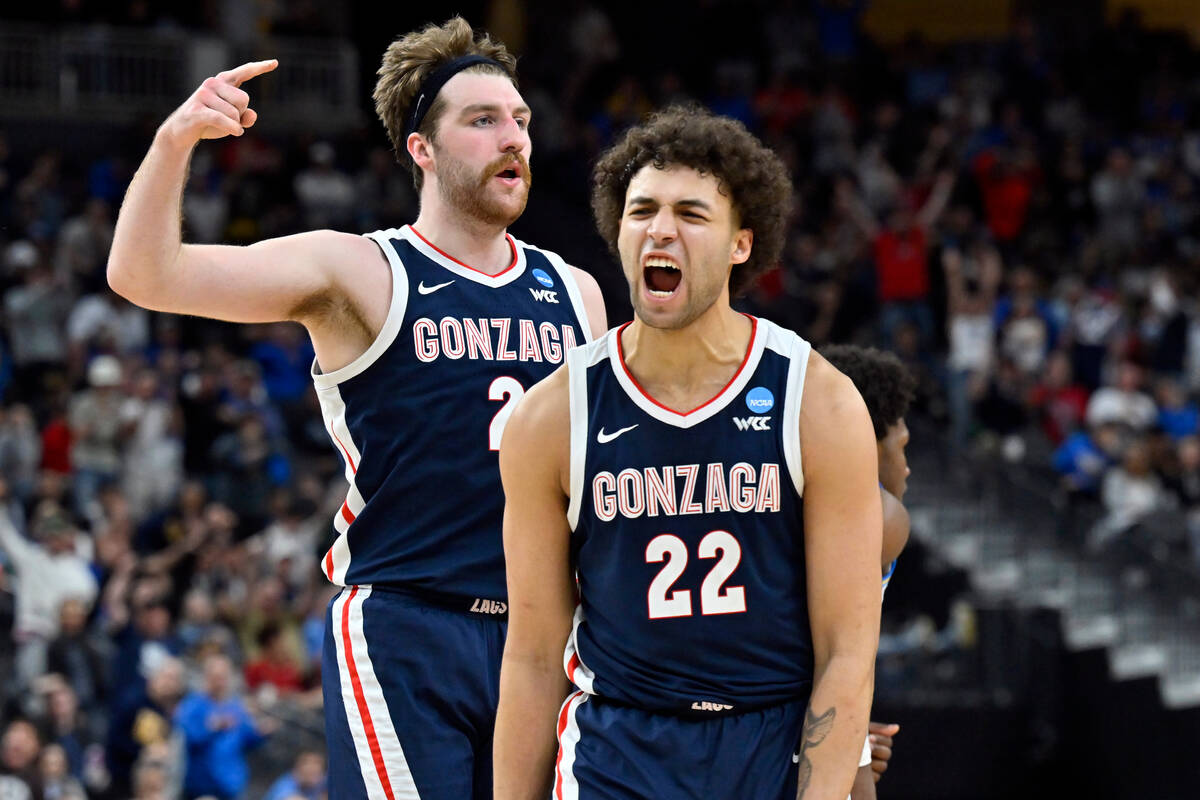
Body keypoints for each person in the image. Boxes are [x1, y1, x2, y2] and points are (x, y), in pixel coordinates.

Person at [106, 16, 606, 800]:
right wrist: (175, 142)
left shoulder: (576, 292)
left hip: (541, 636)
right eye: (483, 121)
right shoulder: (362, 270)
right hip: (410, 625)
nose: (514, 138)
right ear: (422, 150)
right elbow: (145, 275)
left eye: (521, 121)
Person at [494, 106, 881, 800]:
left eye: (691, 214)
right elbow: (529, 656)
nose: (660, 230)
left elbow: (846, 654)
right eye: (641, 210)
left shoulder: (817, 402)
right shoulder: (550, 416)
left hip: (770, 743)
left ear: (742, 244)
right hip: (618, 749)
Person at [821, 344, 918, 797]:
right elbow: (835, 675)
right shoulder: (880, 515)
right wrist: (849, 750)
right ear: (863, 435)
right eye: (901, 447)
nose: (907, 466)